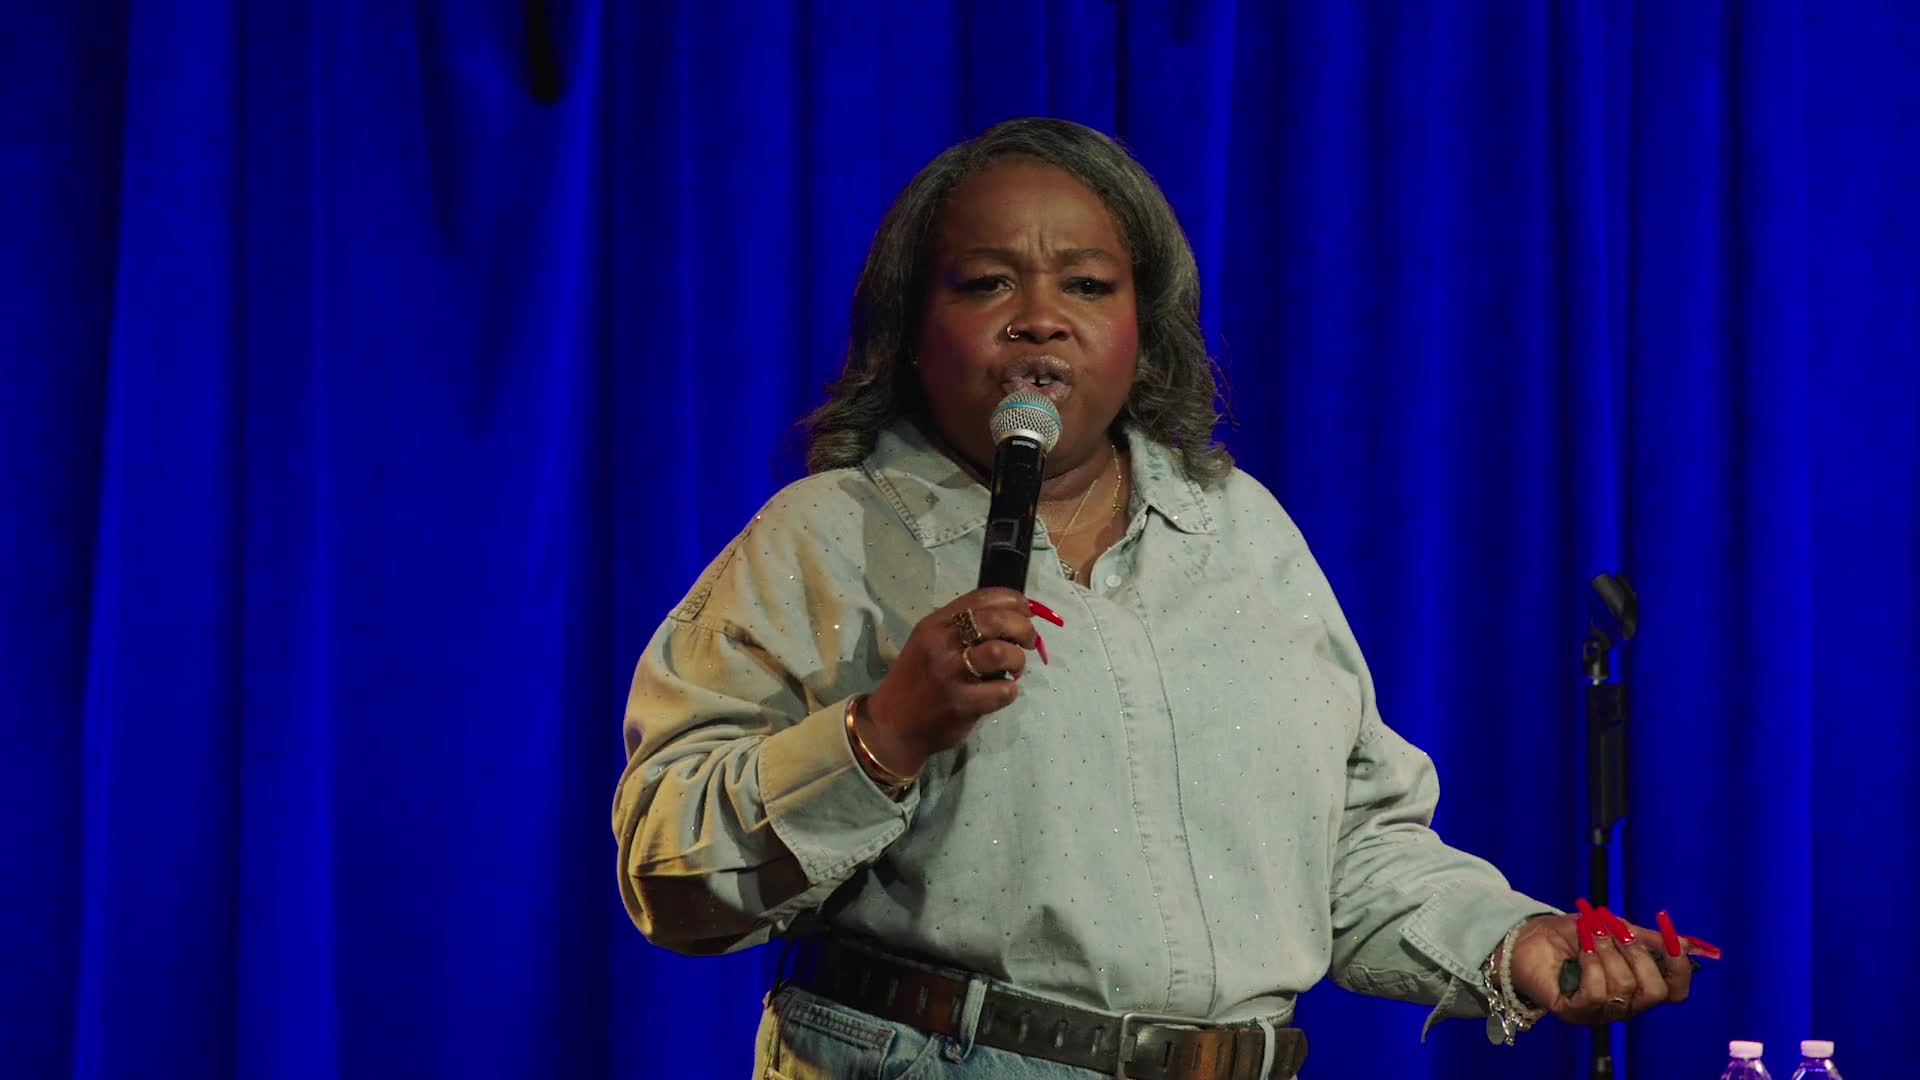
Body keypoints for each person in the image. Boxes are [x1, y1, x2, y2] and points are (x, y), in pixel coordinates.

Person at [612, 117, 1695, 1080]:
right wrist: (880, 736)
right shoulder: (828, 538)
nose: (1040, 320)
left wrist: (1511, 941)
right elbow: (668, 867)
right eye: (986, 284)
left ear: (1146, 327)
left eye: (1087, 286)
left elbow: (1348, 851)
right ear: (909, 330)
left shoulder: (1240, 534)